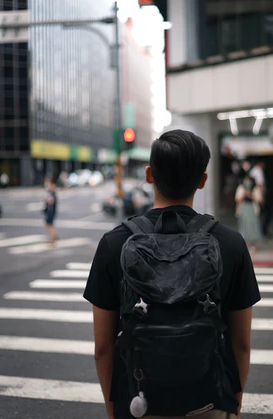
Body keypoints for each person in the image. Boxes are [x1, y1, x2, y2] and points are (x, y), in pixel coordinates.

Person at [84, 130, 260, 419]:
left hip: (137, 404)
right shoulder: (230, 244)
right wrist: (233, 403)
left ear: (149, 175)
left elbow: (103, 348)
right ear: (202, 181)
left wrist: (112, 408)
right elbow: (240, 343)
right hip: (209, 402)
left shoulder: (113, 244)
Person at [235, 175, 263, 251]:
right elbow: (237, 199)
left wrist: (251, 196)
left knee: (253, 225)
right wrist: (244, 194)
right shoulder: (241, 188)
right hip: (243, 208)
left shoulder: (255, 188)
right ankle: (245, 243)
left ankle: (253, 243)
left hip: (252, 208)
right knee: (244, 225)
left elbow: (259, 200)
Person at [43, 177, 58, 244]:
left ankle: (53, 238)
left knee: (49, 225)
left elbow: (51, 201)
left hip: (51, 211)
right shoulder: (51, 192)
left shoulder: (52, 192)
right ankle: (54, 236)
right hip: (50, 211)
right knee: (49, 225)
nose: (47, 185)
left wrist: (46, 200)